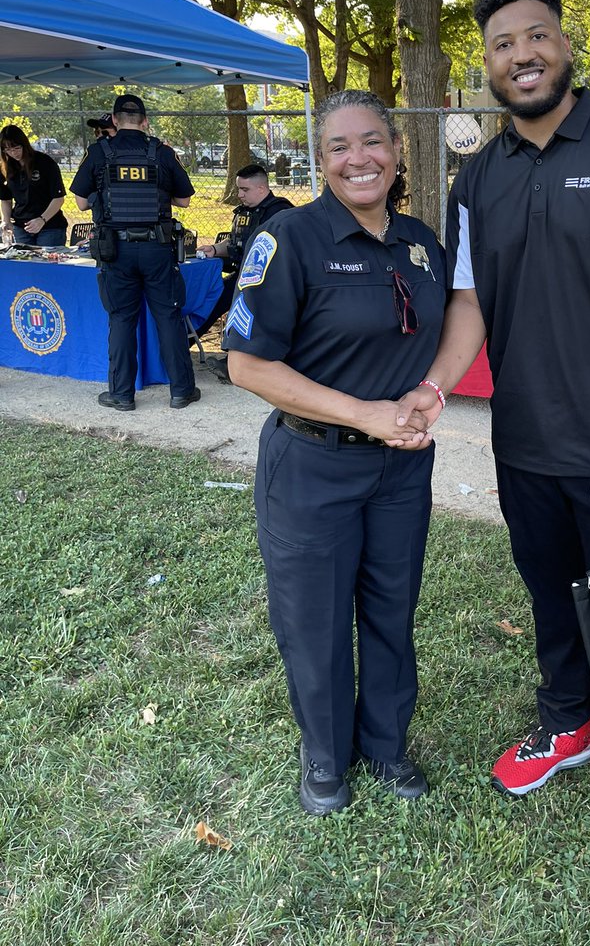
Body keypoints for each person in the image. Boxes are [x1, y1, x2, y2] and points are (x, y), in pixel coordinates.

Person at [395, 0, 590, 859]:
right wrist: (437, 388)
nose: (521, 55)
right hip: (524, 439)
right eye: (502, 44)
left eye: (535, 37)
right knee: (552, 593)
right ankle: (567, 721)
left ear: (566, 45)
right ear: (485, 66)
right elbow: (469, 304)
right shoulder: (476, 177)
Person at [224, 90, 446, 817]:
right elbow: (247, 365)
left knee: (391, 607)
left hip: (402, 469)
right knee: (315, 618)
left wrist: (421, 400)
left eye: (373, 141)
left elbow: (443, 333)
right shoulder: (288, 239)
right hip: (312, 464)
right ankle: (324, 753)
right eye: (341, 147)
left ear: (397, 149)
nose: (360, 158)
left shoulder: (419, 242)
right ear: (321, 162)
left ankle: (385, 744)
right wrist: (367, 414)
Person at [70, 93, 200, 412]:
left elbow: (82, 202)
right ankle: (181, 391)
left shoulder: (99, 153)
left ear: (114, 120)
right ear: (144, 121)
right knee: (168, 317)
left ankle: (122, 394)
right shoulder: (163, 153)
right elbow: (184, 200)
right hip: (158, 248)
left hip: (117, 250)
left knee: (122, 320)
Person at [194, 164, 293, 382]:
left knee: (245, 311)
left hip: (270, 283)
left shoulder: (280, 213)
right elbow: (234, 240)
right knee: (212, 299)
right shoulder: (245, 212)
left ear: (261, 188)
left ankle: (236, 366)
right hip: (243, 276)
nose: (239, 194)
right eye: (239, 189)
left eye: (244, 190)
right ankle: (182, 346)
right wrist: (214, 249)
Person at [0, 124, 68, 247]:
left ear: (24, 145)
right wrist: (6, 220)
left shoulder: (45, 162)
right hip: (21, 226)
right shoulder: (5, 168)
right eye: (8, 150)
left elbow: (58, 198)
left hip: (49, 226)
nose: (13, 153)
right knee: (24, 263)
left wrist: (42, 219)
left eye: (16, 148)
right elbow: (5, 199)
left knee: (47, 263)